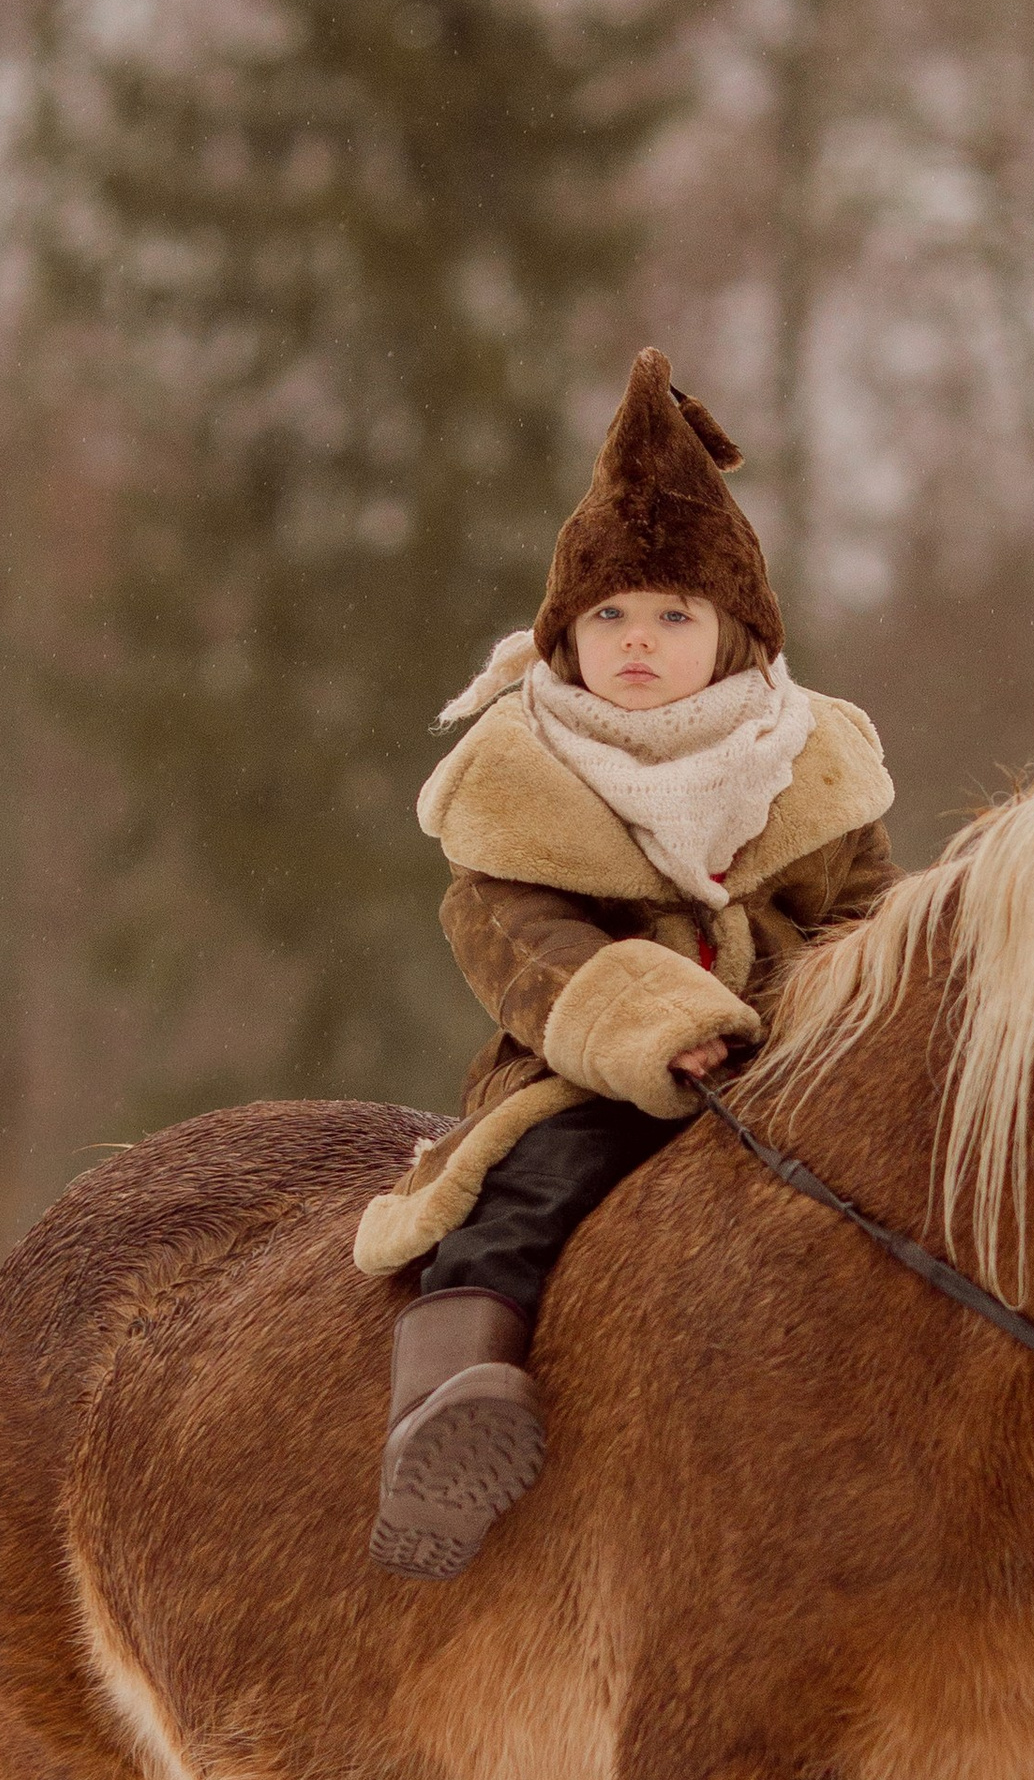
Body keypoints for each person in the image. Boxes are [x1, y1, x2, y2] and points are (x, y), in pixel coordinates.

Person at [355, 346, 897, 1577]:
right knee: (526, 1193)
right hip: (585, 1078)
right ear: (565, 635)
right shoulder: (523, 779)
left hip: (789, 1067)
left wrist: (833, 1018)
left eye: (671, 615)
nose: (637, 642)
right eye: (608, 617)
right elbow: (516, 943)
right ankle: (449, 1418)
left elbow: (868, 914)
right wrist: (647, 1022)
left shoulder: (809, 770)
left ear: (735, 634)